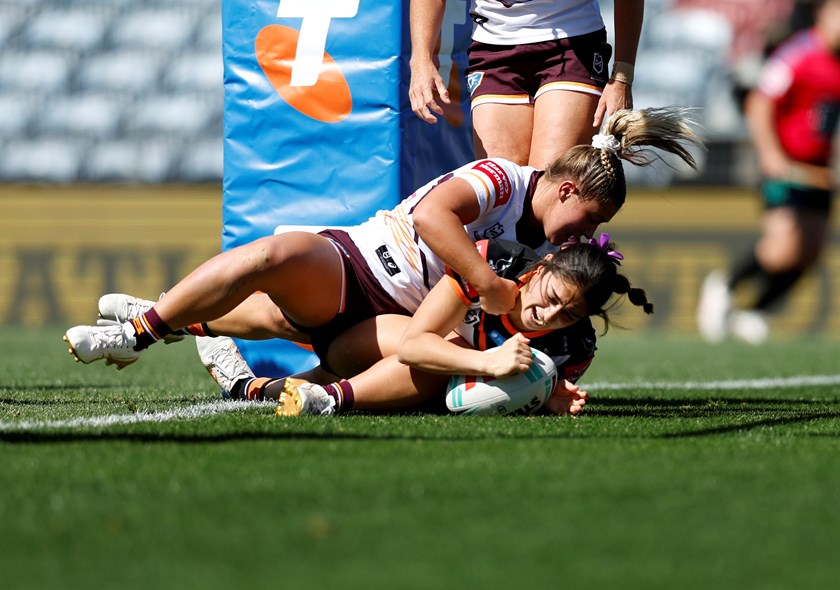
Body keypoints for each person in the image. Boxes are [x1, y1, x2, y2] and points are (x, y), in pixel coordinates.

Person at [64, 107, 700, 385]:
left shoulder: (553, 255)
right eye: (586, 219)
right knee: (270, 262)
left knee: (427, 363)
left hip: (397, 322)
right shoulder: (501, 179)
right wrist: (484, 280)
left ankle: (191, 332)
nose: (584, 237)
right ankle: (143, 330)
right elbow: (430, 218)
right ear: (563, 190)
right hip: (361, 266)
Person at [131, 235, 653, 417]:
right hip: (384, 336)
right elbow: (418, 346)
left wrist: (549, 398)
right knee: (279, 314)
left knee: (435, 382)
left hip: (412, 376)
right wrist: (486, 362)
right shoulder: (496, 263)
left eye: (569, 314)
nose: (550, 315)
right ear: (539, 270)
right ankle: (172, 317)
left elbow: (514, 395)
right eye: (552, 297)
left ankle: (257, 388)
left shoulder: (575, 346)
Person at [697, 0, 840, 344]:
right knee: (784, 248)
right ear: (822, 13)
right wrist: (771, 156)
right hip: (786, 168)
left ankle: (755, 310)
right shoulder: (798, 54)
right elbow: (759, 102)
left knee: (810, 252)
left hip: (817, 171)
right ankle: (725, 285)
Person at [409, 0, 644, 167]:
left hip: (573, 43)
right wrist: (420, 58)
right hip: (492, 47)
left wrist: (622, 76)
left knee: (549, 187)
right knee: (500, 194)